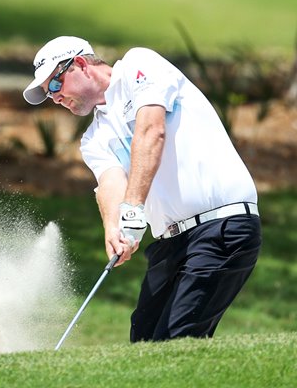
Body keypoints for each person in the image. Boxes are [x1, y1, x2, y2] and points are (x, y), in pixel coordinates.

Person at [22, 36, 261, 342]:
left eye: (54, 86)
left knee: (177, 339)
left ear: (80, 64)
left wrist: (133, 207)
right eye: (47, 94)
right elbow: (110, 182)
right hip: (169, 243)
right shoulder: (93, 138)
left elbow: (151, 131)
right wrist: (114, 228)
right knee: (144, 342)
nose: (54, 98)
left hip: (222, 225)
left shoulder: (140, 64)